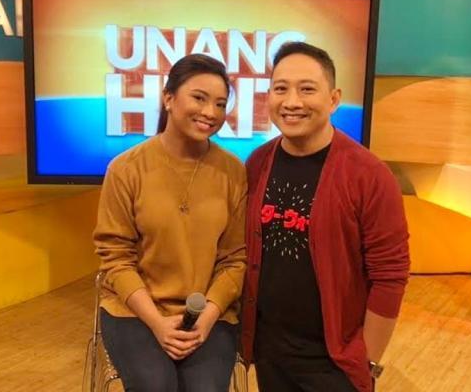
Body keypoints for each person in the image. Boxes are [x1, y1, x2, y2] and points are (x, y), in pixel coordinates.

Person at [240, 42, 410, 392]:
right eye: (280, 89)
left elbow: (390, 275)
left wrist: (367, 361)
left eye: (307, 89)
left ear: (333, 99)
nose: (292, 102)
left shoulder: (369, 175)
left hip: (335, 363)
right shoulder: (257, 162)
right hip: (271, 352)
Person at [93, 54, 247, 392]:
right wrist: (157, 323)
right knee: (156, 385)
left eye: (220, 104)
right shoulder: (126, 169)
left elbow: (236, 259)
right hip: (134, 312)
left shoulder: (233, 172)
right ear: (168, 98)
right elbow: (116, 258)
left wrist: (207, 318)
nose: (210, 112)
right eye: (199, 98)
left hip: (210, 313)